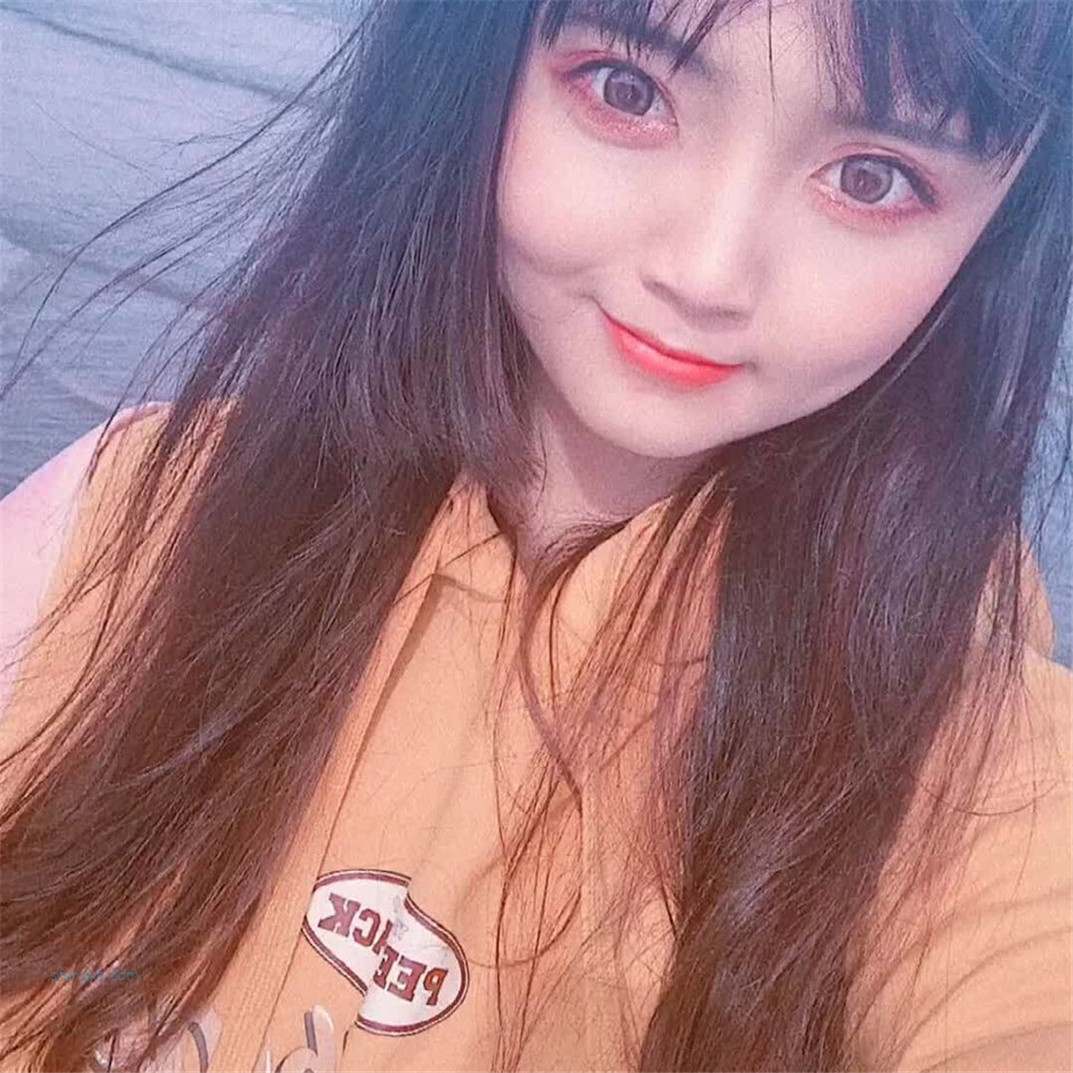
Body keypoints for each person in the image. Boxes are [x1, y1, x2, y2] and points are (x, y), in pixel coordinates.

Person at [1, 0, 1070, 1070]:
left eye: (872, 178)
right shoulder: (134, 512)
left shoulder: (969, 757)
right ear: (475, 65)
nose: (705, 272)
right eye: (626, 90)